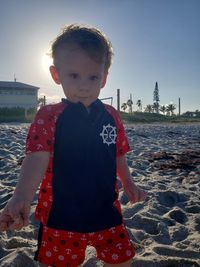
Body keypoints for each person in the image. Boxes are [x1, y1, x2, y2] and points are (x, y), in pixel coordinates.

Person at [0, 24, 146, 267]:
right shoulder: (49, 116)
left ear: (104, 78)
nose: (84, 86)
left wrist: (128, 182)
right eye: (74, 75)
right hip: (61, 215)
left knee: (122, 261)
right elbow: (37, 158)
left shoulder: (111, 115)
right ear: (57, 75)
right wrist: (21, 197)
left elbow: (118, 154)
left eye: (93, 77)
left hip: (106, 210)